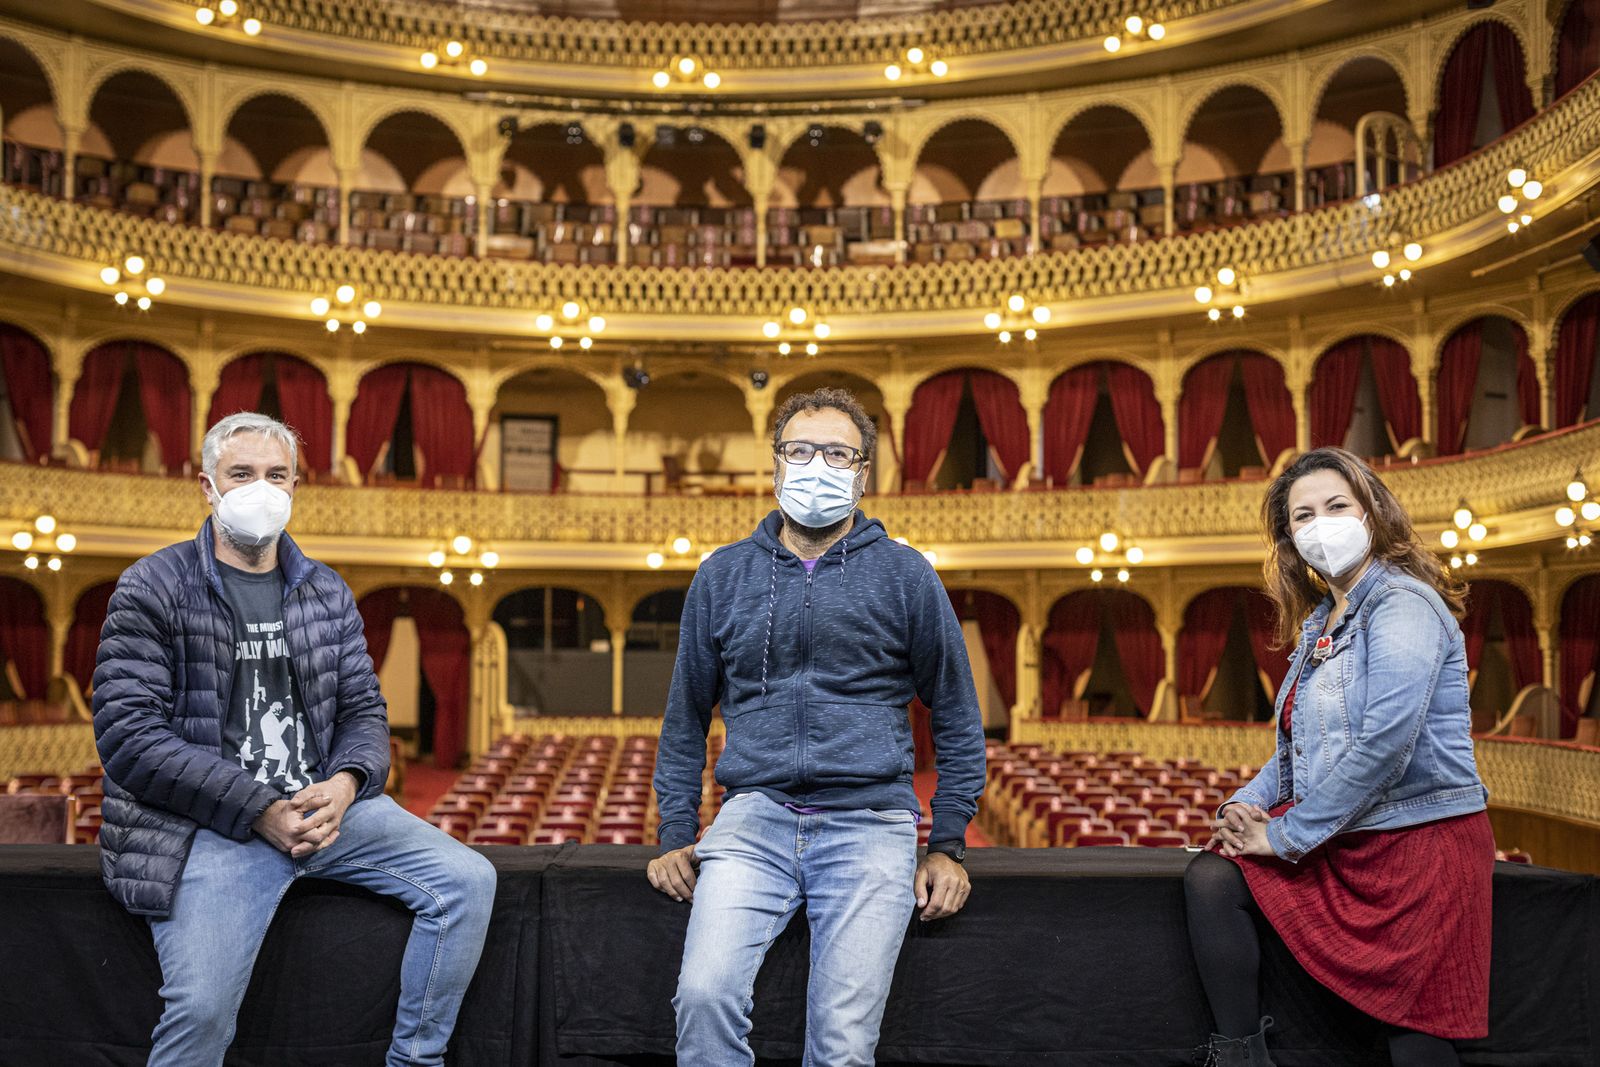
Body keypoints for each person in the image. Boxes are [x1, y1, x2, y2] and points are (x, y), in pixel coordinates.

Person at [93, 411, 497, 1067]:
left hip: (323, 808)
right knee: (199, 1012)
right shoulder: (153, 585)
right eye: (242, 473)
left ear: (295, 486)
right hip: (210, 826)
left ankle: (415, 1058)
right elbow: (128, 736)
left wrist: (346, 783)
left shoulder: (326, 591)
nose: (261, 487)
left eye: (276, 474)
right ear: (208, 486)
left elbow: (364, 707)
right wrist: (258, 808)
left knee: (468, 881)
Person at [648, 386, 987, 1065]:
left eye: (837, 452)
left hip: (871, 824)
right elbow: (685, 717)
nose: (816, 466)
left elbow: (956, 714)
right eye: (800, 450)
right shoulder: (721, 576)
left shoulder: (905, 574)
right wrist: (674, 832)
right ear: (775, 464)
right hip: (753, 820)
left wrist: (948, 842)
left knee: (840, 1043)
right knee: (704, 996)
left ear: (864, 472)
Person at [1183, 447, 1493, 1067]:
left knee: (1413, 1033)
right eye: (1302, 516)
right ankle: (1241, 1056)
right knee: (1214, 877)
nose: (1320, 524)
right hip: (1348, 832)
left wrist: (1286, 834)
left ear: (1372, 512)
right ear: (1290, 539)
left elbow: (1386, 744)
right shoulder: (1321, 622)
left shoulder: (1404, 603)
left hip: (1417, 841)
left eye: (1336, 505)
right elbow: (1296, 745)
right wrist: (1246, 806)